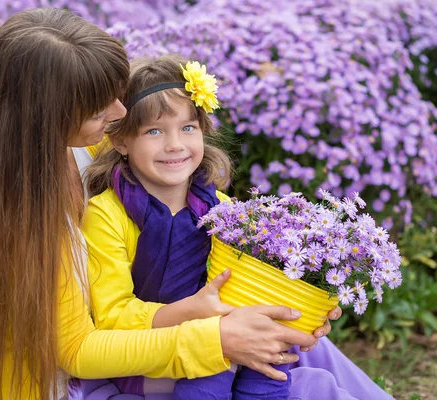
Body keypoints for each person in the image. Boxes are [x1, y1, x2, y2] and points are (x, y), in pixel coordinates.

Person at [0, 8, 324, 400]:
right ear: (46, 117)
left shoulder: (88, 144)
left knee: (302, 353)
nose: (120, 113)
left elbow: (167, 143)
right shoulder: (17, 215)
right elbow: (77, 351)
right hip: (63, 382)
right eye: (98, 106)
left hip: (139, 340)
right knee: (305, 383)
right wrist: (216, 341)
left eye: (115, 95)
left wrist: (306, 299)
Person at [77, 55, 394, 400]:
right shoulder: (108, 214)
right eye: (154, 131)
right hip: (154, 360)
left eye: (188, 128)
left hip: (231, 342)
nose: (174, 145)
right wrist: (195, 312)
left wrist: (305, 308)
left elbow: (257, 285)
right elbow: (111, 316)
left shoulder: (223, 210)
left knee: (281, 360)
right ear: (122, 141)